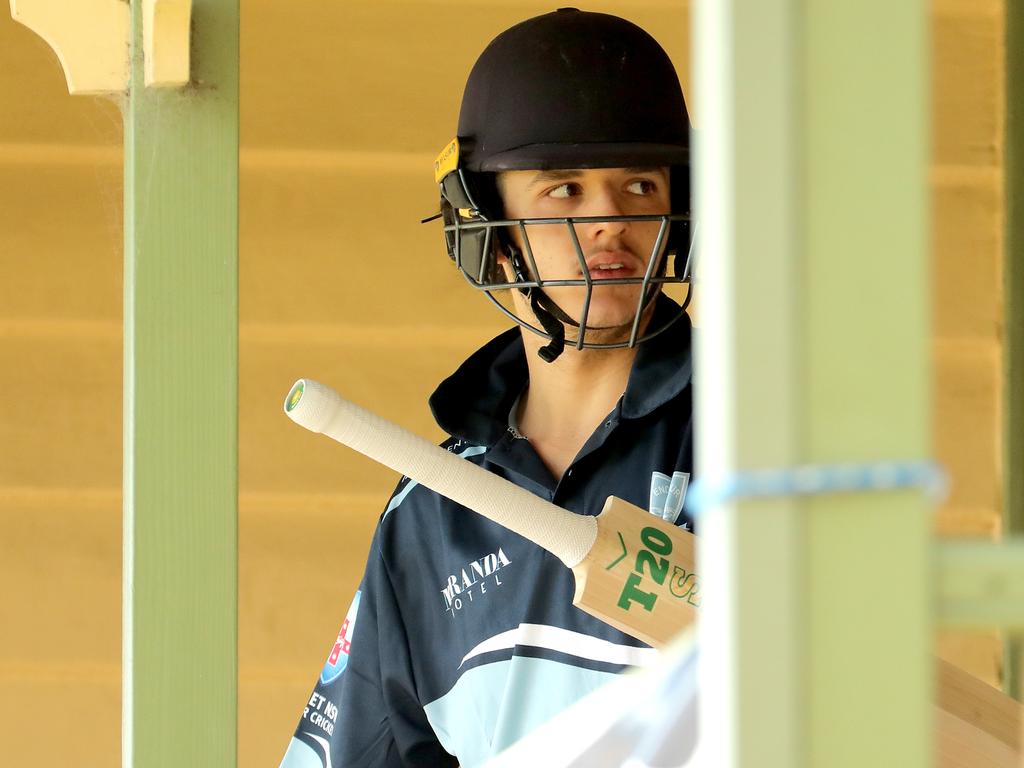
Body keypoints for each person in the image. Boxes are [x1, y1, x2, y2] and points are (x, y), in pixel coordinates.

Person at [279, 8, 694, 767]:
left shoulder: (756, 444)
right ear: (491, 230)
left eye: (639, 183)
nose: (610, 221)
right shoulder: (433, 511)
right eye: (563, 189)